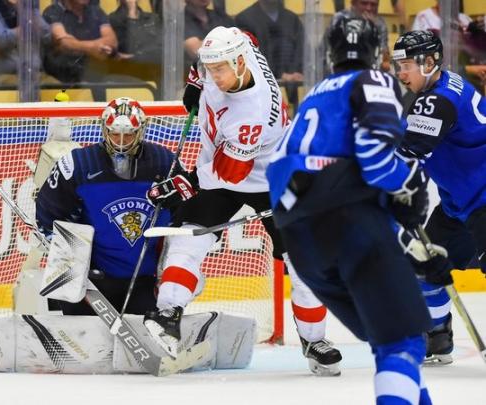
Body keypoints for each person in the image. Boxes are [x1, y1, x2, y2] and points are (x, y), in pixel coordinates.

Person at [144, 26, 342, 376]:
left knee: (303, 264)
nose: (213, 76)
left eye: (219, 69)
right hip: (227, 170)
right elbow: (245, 34)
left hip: (271, 179)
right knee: (188, 238)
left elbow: (229, 174)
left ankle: (314, 340)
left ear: (239, 62)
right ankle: (168, 314)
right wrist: (195, 79)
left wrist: (186, 183)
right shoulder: (239, 49)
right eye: (209, 68)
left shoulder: (253, 111)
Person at [266, 17, 434, 403]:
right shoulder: (374, 81)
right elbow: (374, 160)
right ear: (378, 52)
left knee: (389, 339)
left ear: (329, 52)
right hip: (347, 222)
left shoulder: (313, 95)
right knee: (403, 343)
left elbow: (287, 173)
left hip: (299, 238)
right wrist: (409, 185)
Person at [392, 30, 486, 364]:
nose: (400, 73)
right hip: (459, 203)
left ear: (430, 62)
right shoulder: (441, 87)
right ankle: (438, 336)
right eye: (397, 66)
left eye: (406, 65)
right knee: (423, 265)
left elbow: (406, 160)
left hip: (482, 200)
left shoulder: (437, 100)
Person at [35, 97, 176, 316]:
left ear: (141, 131)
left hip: (145, 280)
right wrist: (71, 262)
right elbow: (48, 214)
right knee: (82, 342)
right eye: (114, 133)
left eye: (128, 134)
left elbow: (185, 214)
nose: (121, 141)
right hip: (91, 280)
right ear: (104, 129)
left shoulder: (166, 163)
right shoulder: (78, 164)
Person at [42, 0, 118, 83]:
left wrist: (78, 45)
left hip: (92, 77)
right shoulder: (53, 11)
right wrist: (94, 47)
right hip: (61, 80)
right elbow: (64, 43)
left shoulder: (96, 11)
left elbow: (111, 41)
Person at [0, 0, 50, 80]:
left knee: (58, 88)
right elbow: (2, 40)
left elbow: (46, 35)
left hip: (34, 74)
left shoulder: (25, 7)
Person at [328, 0, 390, 72]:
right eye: (364, 3)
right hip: (340, 67)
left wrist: (373, 27)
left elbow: (385, 57)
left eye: (373, 5)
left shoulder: (380, 24)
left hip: (368, 69)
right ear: (353, 3)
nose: (369, 8)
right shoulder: (339, 19)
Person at [183, 0, 233, 66]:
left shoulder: (220, 16)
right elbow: (196, 50)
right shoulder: (180, 19)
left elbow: (242, 39)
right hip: (196, 72)